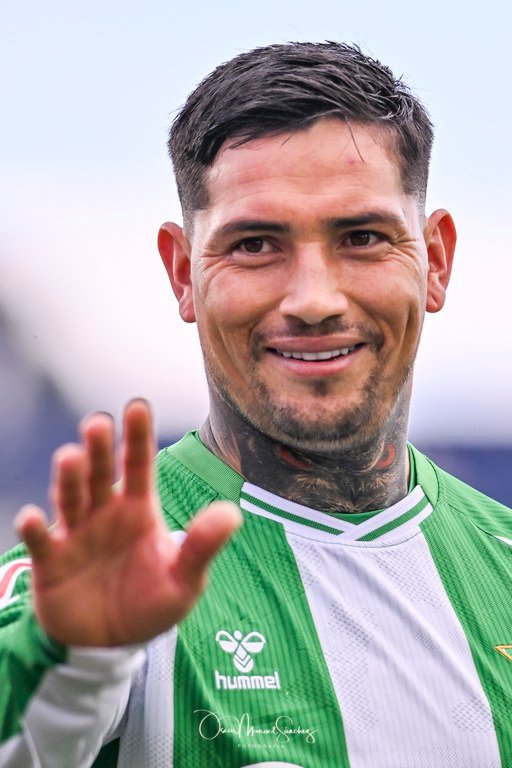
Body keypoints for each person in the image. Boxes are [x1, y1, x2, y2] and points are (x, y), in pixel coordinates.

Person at [0, 40, 511, 768]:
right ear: (183, 272)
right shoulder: (85, 587)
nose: (313, 299)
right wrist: (74, 665)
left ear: (436, 260)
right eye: (254, 245)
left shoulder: (503, 566)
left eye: (363, 237)